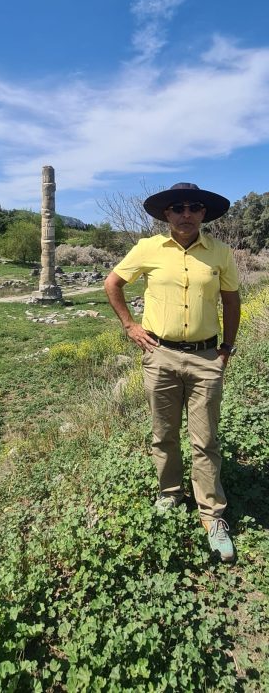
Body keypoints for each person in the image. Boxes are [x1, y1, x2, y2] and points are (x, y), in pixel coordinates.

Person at [104, 183, 240, 562]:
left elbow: (232, 301)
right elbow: (112, 283)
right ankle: (170, 493)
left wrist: (227, 348)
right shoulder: (147, 248)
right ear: (167, 214)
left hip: (206, 357)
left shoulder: (220, 252)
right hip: (160, 355)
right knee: (164, 433)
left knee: (206, 440)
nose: (186, 213)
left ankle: (212, 515)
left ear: (203, 213)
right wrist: (130, 326)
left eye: (194, 207)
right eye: (178, 207)